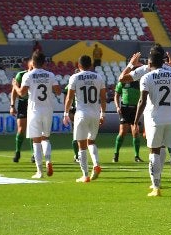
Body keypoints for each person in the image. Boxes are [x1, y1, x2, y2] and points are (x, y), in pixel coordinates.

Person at [133, 50, 171, 197]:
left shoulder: (146, 77)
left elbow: (142, 101)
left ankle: (156, 187)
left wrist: (135, 122)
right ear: (163, 63)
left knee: (154, 152)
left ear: (149, 63)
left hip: (155, 120)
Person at [63, 55, 107, 183]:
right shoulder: (98, 77)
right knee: (91, 141)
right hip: (95, 113)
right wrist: (103, 114)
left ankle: (85, 175)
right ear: (91, 65)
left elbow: (69, 98)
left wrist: (66, 113)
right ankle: (96, 164)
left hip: (81, 113)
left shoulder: (75, 77)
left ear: (79, 65)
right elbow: (103, 98)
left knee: (81, 146)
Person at [19, 51, 62, 179]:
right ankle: (48, 160)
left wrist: (15, 86)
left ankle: (39, 171)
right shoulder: (50, 75)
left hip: (34, 110)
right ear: (44, 62)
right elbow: (58, 92)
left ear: (33, 62)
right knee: (45, 138)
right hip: (47, 109)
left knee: (36, 141)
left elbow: (22, 93)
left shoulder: (28, 75)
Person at [113, 78, 144, 163]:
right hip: (125, 109)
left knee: (136, 131)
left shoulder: (139, 83)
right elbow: (116, 95)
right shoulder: (123, 82)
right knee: (123, 132)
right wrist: (117, 106)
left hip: (135, 109)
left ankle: (136, 156)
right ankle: (116, 155)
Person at [10, 56, 32, 163]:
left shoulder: (37, 75)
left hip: (33, 103)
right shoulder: (21, 75)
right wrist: (12, 105)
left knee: (33, 129)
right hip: (23, 103)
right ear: (28, 65)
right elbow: (14, 91)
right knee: (21, 129)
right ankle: (18, 152)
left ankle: (34, 154)